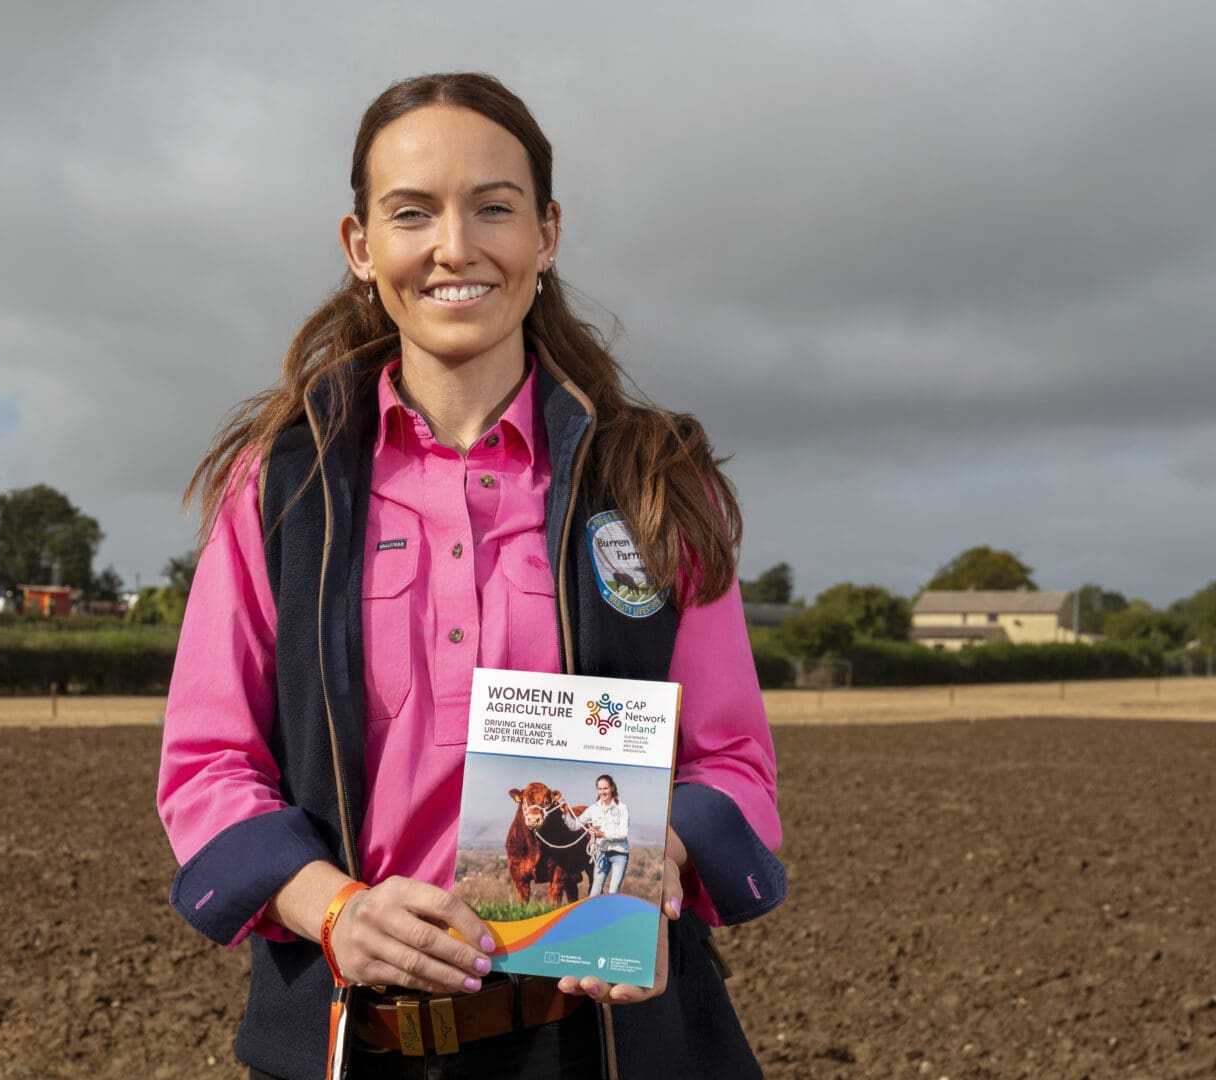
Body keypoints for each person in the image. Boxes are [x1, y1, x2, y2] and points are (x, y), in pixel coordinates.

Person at [157, 72, 786, 1080]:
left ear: (547, 232)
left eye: (494, 206)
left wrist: (661, 863)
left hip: (614, 1048)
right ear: (362, 247)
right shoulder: (281, 484)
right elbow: (208, 766)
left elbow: (731, 763)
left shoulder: (656, 481)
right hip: (351, 1045)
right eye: (414, 213)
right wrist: (336, 909)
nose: (457, 246)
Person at [577, 775, 630, 896]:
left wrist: (602, 834)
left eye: (605, 788)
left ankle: (609, 914)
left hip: (620, 854)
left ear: (611, 788)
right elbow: (575, 824)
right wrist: (564, 814)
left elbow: (623, 833)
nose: (602, 792)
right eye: (600, 789)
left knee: (613, 891)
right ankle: (591, 914)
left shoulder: (622, 808)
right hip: (601, 853)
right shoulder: (593, 809)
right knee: (595, 889)